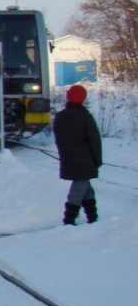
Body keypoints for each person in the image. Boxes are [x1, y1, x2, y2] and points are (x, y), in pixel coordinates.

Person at [52, 84, 102, 225]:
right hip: (85, 158)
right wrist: (97, 160)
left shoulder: (60, 117)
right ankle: (69, 219)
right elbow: (94, 140)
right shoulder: (85, 117)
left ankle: (93, 217)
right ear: (83, 98)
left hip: (67, 157)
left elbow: (58, 137)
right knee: (79, 186)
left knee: (85, 187)